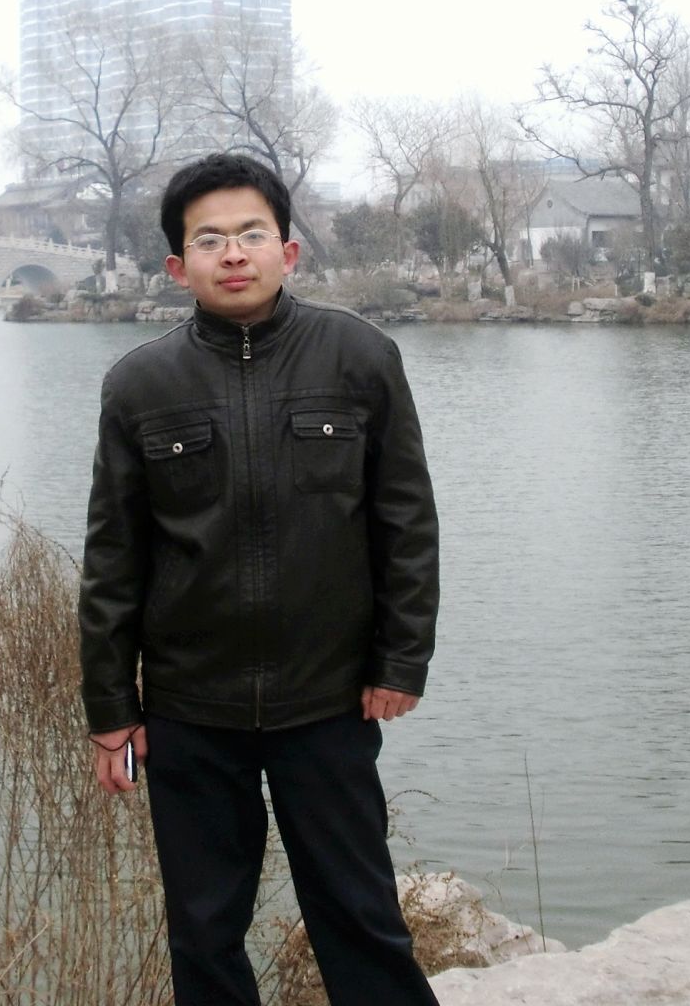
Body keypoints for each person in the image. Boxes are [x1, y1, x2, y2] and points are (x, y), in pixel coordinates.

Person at [80, 152, 442, 1005]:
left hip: (329, 700)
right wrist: (111, 708)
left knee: (360, 915)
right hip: (190, 708)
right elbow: (114, 557)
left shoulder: (360, 357)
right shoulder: (139, 385)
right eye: (210, 240)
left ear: (289, 249)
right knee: (204, 929)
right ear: (178, 267)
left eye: (252, 233)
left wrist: (401, 660)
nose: (234, 253)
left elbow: (406, 522)